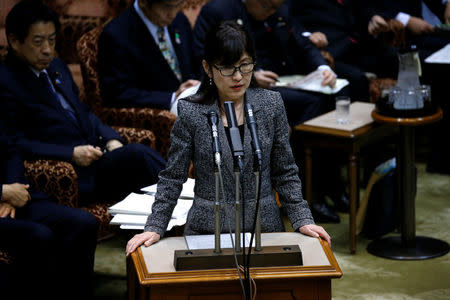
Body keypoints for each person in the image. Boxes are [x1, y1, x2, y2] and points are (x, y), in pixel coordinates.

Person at [126, 21, 331, 256]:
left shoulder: (271, 104)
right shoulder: (192, 112)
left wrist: (302, 218)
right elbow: (173, 177)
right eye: (227, 67)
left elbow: (284, 171)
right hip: (208, 230)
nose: (238, 77)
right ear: (208, 67)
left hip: (264, 228)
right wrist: (155, 226)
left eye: (245, 66)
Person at [0, 0, 166, 205]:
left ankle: (188, 204)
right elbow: (15, 143)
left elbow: (84, 111)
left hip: (96, 158)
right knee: (138, 156)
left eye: (51, 41)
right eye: (38, 42)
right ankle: (192, 197)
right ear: (15, 42)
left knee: (141, 165)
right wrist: (70, 154)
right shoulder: (6, 81)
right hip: (70, 173)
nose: (47, 50)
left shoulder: (56, 66)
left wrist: (109, 138)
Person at [192, 0, 337, 126]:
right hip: (239, 86)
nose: (272, 12)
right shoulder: (219, 10)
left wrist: (323, 68)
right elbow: (205, 59)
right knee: (313, 101)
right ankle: (295, 154)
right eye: (267, 6)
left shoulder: (277, 9)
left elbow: (303, 42)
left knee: (333, 92)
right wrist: (250, 76)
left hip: (280, 79)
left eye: (276, 8)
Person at [0, 123, 98, 299]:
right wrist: (3, 193)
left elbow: (11, 150)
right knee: (38, 234)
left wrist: (13, 190)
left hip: (14, 195)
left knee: (83, 223)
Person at [98, 0, 200, 111]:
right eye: (167, 7)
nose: (173, 13)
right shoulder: (116, 35)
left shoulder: (179, 20)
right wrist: (172, 97)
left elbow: (196, 62)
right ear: (143, 2)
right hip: (159, 116)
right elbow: (117, 93)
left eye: (179, 5)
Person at [290, 0, 399, 101]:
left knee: (392, 56)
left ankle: (397, 107)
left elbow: (363, 7)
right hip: (330, 50)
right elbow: (290, 18)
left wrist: (372, 17)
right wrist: (308, 35)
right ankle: (362, 117)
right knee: (356, 77)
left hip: (357, 43)